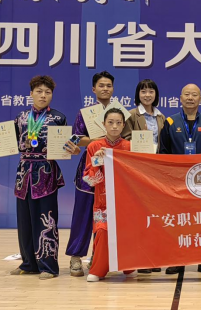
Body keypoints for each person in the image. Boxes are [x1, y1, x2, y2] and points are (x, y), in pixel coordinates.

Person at [0, 75, 80, 280]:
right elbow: (8, 141)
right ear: (31, 94)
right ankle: (29, 264)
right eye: (39, 91)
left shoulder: (58, 118)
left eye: (48, 92)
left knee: (47, 221)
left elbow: (69, 145)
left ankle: (48, 266)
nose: (43, 95)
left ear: (52, 95)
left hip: (46, 173)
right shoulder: (21, 117)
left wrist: (73, 150)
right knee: (25, 221)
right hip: (24, 174)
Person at [160, 83, 201, 275]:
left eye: (194, 95)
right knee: (179, 221)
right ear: (180, 98)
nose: (190, 98)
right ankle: (177, 260)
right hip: (177, 181)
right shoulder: (170, 122)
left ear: (200, 99)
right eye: (187, 94)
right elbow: (163, 153)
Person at [65, 71, 115, 277]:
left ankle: (98, 256)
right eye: (101, 85)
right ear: (94, 89)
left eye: (109, 85)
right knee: (83, 215)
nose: (105, 89)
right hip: (89, 171)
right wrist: (98, 139)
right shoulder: (85, 113)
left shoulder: (118, 113)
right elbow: (75, 138)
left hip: (112, 170)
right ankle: (75, 257)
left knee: (105, 216)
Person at [83, 108, 135, 282]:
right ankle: (98, 269)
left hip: (126, 201)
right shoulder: (94, 147)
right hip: (102, 201)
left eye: (118, 123)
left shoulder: (129, 147)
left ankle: (129, 266)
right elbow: (90, 180)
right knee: (102, 232)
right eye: (110, 122)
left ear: (124, 125)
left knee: (127, 232)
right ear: (103, 124)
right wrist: (96, 162)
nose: (114, 126)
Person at [121, 79, 165, 274]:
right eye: (143, 91)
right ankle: (141, 258)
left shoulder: (161, 116)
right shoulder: (131, 115)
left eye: (151, 91)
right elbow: (124, 140)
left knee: (154, 215)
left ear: (156, 94)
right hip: (137, 169)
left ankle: (153, 257)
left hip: (155, 170)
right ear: (138, 94)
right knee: (139, 215)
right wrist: (141, 142)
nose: (147, 95)